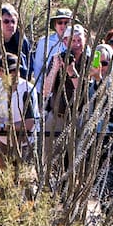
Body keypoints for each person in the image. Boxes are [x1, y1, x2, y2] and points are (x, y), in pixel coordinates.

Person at [42, 24, 90, 157]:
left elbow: (85, 92)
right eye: (72, 41)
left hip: (78, 118)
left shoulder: (90, 61)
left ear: (85, 40)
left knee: (75, 162)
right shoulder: (57, 58)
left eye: (79, 40)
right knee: (50, 159)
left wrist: (71, 71)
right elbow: (46, 91)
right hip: (57, 117)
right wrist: (55, 68)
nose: (76, 44)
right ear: (65, 42)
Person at [0, 53, 39, 172]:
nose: (14, 73)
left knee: (24, 181)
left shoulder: (27, 89)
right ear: (0, 71)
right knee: (5, 178)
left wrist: (4, 126)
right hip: (2, 142)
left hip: (25, 142)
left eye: (17, 69)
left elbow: (29, 123)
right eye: (11, 70)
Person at [32, 8, 72, 96]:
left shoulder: (78, 43)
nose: (63, 25)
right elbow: (38, 69)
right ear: (55, 25)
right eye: (60, 22)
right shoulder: (44, 42)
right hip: (48, 94)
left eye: (67, 22)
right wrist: (43, 93)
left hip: (71, 93)